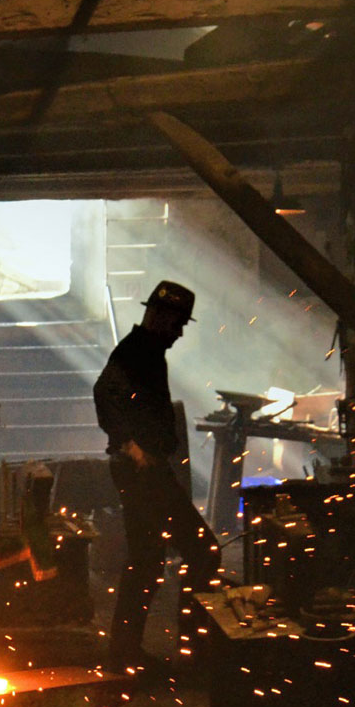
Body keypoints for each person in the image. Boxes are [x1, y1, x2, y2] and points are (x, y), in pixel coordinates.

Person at [93, 279, 222, 672]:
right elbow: (103, 392)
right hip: (141, 472)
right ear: (158, 315)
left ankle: (127, 652)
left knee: (147, 561)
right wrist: (129, 444)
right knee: (203, 551)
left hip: (146, 471)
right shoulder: (137, 351)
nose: (180, 331)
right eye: (178, 323)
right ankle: (191, 650)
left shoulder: (148, 352)